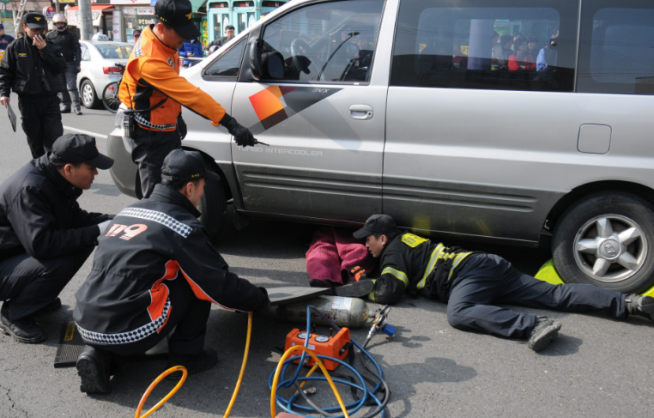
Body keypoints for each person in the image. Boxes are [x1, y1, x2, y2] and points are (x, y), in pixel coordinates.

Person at [73, 149, 269, 394]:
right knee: (193, 279)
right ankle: (187, 356)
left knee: (140, 287)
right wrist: (258, 299)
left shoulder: (128, 212)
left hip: (85, 321)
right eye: (202, 186)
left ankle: (99, 357)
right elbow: (218, 284)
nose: (202, 193)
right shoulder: (182, 227)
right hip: (131, 331)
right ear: (189, 188)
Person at [340, 214, 654, 352]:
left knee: (459, 313)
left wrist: (362, 280)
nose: (365, 246)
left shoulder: (393, 252)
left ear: (382, 237)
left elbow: (389, 292)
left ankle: (532, 326)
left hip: (468, 274)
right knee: (555, 294)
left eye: (367, 240)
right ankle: (628, 303)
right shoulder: (408, 241)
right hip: (488, 264)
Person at [118, 0, 256, 199]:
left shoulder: (164, 42)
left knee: (173, 191)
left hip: (165, 127)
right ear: (161, 28)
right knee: (156, 198)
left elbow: (170, 89)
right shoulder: (148, 60)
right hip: (149, 137)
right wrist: (231, 124)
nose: (184, 38)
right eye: (181, 33)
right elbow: (189, 94)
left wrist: (177, 116)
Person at [0, 134, 114, 344]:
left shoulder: (55, 177)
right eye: (91, 168)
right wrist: (99, 230)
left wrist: (116, 221)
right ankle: (13, 313)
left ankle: (36, 299)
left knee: (84, 240)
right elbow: (42, 245)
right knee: (57, 262)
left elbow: (73, 219)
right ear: (69, 168)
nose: (96, 173)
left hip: (17, 253)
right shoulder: (31, 188)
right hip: (7, 262)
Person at [0, 13, 66, 159]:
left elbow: (60, 67)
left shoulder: (51, 47)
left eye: (40, 30)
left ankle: (52, 171)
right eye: (34, 30)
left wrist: (45, 50)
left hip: (50, 100)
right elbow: (5, 72)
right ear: (24, 27)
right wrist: (4, 93)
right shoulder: (15, 47)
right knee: (35, 141)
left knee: (54, 139)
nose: (38, 33)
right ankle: (41, 169)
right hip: (28, 102)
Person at [46, 14, 83, 115]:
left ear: (65, 24)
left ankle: (77, 107)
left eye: (61, 23)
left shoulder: (71, 35)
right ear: (54, 25)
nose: (60, 25)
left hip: (69, 63)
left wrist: (77, 63)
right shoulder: (50, 36)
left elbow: (77, 49)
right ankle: (66, 105)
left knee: (71, 86)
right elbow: (46, 50)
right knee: (61, 86)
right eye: (58, 24)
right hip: (57, 64)